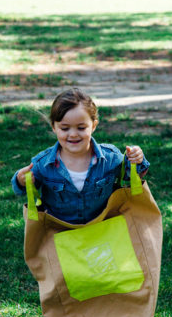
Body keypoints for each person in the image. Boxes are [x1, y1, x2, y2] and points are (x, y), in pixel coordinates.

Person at [11, 88, 149, 224]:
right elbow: (22, 190)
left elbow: (133, 177)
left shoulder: (110, 158)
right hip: (59, 232)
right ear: (54, 127)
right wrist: (21, 180)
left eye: (81, 128)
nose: (73, 134)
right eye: (65, 128)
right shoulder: (43, 164)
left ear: (93, 125)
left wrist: (136, 159)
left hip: (103, 229)